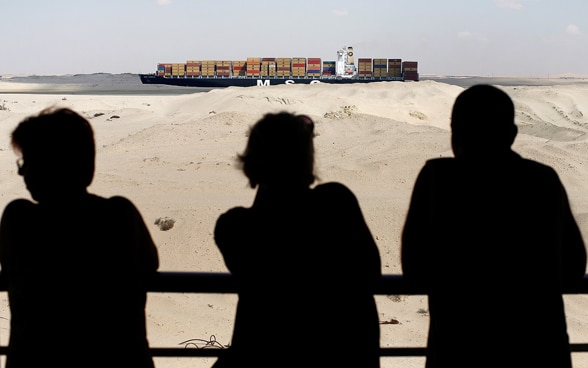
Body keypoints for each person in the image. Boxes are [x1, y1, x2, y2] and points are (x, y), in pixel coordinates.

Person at [401, 84, 587, 368]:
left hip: (458, 350)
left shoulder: (437, 180)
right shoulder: (542, 181)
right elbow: (575, 266)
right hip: (540, 351)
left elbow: (414, 268)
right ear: (512, 134)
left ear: (455, 132)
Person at [212, 112, 382, 368]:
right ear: (307, 161)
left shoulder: (234, 227)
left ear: (249, 166)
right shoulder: (336, 204)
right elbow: (372, 274)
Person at [0, 107, 159, 368]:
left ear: (44, 167)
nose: (21, 173)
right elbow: (150, 263)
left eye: (26, 162)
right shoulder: (121, 215)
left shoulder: (18, 219)